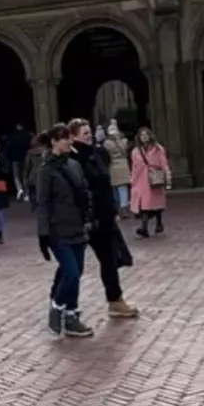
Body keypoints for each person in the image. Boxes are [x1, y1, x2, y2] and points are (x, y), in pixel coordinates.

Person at [70, 120, 138, 320]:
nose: (89, 135)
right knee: (74, 266)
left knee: (109, 260)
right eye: (84, 133)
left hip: (104, 217)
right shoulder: (73, 160)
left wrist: (111, 208)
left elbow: (104, 183)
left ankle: (115, 301)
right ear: (73, 136)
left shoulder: (97, 154)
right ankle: (65, 307)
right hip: (86, 219)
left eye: (89, 131)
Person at [36, 125, 93, 338]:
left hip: (77, 227)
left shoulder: (74, 165)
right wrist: (43, 234)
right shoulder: (45, 171)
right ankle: (57, 306)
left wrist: (88, 218)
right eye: (64, 139)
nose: (69, 142)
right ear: (53, 142)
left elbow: (85, 192)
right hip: (57, 230)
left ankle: (71, 318)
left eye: (70, 138)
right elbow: (42, 203)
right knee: (71, 272)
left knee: (76, 273)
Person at [130, 126, 171, 238]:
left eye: (146, 135)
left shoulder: (158, 149)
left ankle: (158, 223)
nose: (144, 137)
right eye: (142, 135)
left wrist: (167, 178)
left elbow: (164, 164)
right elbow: (134, 167)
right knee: (145, 206)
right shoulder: (135, 151)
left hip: (155, 179)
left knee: (156, 204)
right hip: (141, 181)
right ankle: (144, 228)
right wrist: (132, 181)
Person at [104, 121, 131, 212]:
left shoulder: (107, 143)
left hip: (113, 165)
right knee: (123, 187)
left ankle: (118, 206)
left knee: (115, 187)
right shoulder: (124, 141)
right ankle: (124, 206)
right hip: (124, 164)